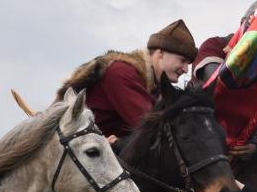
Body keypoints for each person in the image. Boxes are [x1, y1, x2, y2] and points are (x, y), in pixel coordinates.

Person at [56, 19, 198, 140]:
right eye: (182, 60)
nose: (185, 69)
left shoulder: (154, 87)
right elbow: (153, 130)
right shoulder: (121, 73)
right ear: (160, 52)